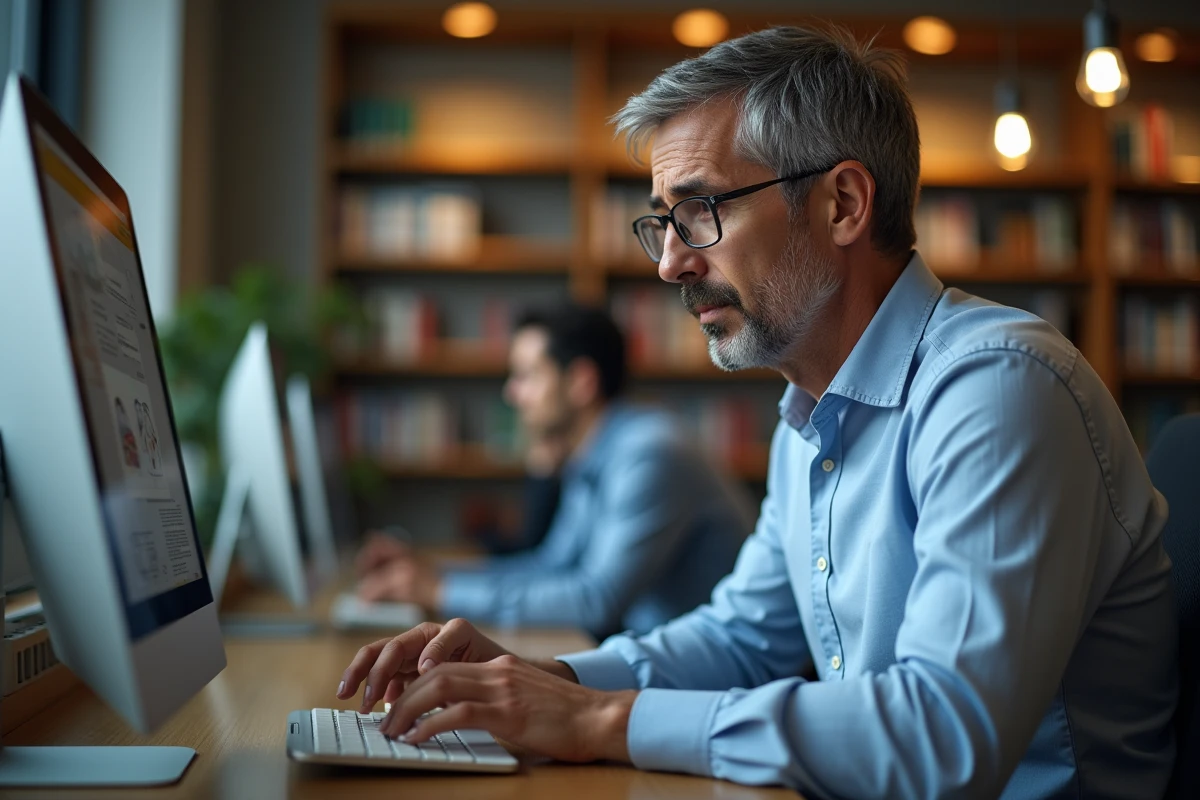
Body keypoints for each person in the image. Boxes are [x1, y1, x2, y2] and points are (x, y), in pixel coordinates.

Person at [335, 25, 1178, 798]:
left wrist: (600, 721)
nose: (668, 264)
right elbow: (745, 640)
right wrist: (551, 678)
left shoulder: (997, 387)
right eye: (662, 222)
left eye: (701, 212)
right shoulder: (811, 412)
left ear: (843, 204)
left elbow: (942, 738)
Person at [353, 304, 751, 639]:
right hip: (659, 656)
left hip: (713, 681)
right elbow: (552, 566)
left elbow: (597, 601)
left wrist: (440, 591)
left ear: (580, 381)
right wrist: (430, 573)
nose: (512, 393)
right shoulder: (594, 452)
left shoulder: (649, 454)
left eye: (527, 376)